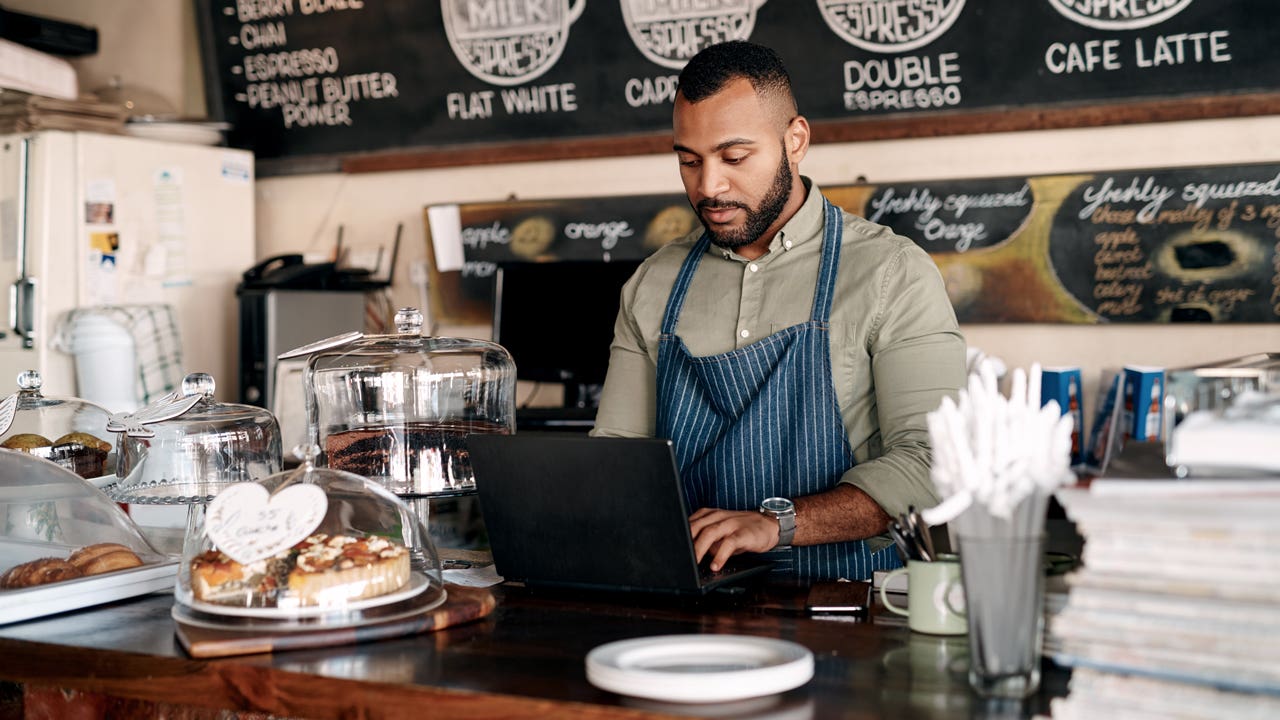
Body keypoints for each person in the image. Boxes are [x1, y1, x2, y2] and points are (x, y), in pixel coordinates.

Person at [590, 41, 967, 582]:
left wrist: (775, 524)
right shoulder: (654, 283)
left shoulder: (891, 272)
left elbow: (934, 464)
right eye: (689, 161)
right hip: (696, 603)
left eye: (734, 157)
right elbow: (616, 463)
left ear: (795, 141)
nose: (708, 186)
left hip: (851, 602)